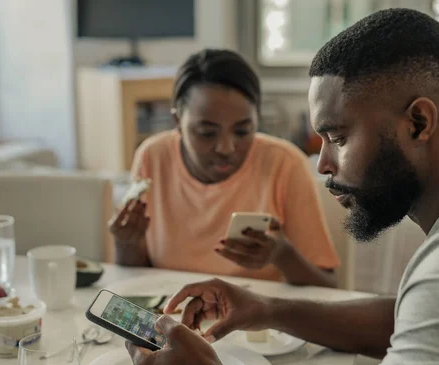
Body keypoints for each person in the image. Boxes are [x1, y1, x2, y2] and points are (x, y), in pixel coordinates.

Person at [126, 8, 439, 365]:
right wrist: (264, 308)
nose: (324, 163)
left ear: (419, 123)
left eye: (339, 138)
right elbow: (416, 319)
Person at [109, 49, 339, 287]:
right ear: (177, 121)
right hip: (170, 316)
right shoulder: (152, 157)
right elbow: (134, 280)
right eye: (207, 133)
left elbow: (328, 287)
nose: (226, 148)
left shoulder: (285, 164)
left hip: (258, 321)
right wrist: (126, 243)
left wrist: (282, 255)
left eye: (242, 131)